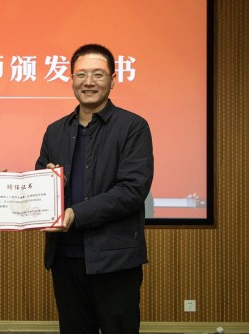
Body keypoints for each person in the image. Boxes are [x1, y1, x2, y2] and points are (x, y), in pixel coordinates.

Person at [36, 44, 154, 334]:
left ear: (113, 80)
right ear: (71, 79)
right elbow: (39, 180)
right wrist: (48, 182)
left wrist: (76, 214)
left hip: (115, 260)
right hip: (65, 259)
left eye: (98, 74)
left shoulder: (133, 127)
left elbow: (132, 190)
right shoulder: (55, 130)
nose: (89, 82)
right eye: (81, 74)